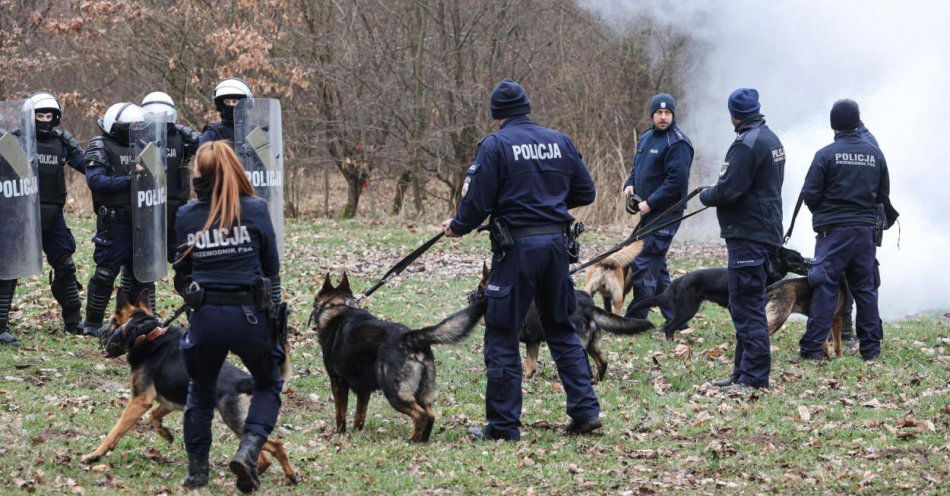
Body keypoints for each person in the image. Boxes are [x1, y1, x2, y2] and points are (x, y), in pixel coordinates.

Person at [441, 78, 601, 440]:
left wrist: (458, 226)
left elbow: (477, 201)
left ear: (497, 115)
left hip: (516, 251)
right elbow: (586, 192)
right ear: (527, 108)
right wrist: (549, 206)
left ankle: (502, 427)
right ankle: (586, 413)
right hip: (557, 247)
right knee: (560, 327)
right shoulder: (560, 140)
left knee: (501, 333)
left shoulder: (495, 145)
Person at [173, 141, 283, 492]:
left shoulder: (186, 215)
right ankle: (249, 449)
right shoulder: (255, 209)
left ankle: (197, 473)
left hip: (206, 317)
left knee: (201, 390)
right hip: (250, 316)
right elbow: (271, 267)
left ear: (202, 177)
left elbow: (182, 275)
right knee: (268, 384)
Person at [699, 88, 785, 390]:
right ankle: (740, 372)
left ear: (733, 115)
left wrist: (705, 194)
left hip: (749, 235)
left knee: (746, 306)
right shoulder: (770, 138)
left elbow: (727, 191)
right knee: (745, 302)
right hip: (764, 233)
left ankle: (753, 378)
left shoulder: (745, 145)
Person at [796, 100, 891, 362]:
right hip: (864, 233)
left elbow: (811, 195)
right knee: (866, 289)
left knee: (825, 287)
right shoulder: (875, 154)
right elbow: (883, 196)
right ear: (857, 121)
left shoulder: (825, 154)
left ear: (833, 124)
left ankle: (813, 350)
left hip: (834, 234)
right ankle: (871, 350)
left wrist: (827, 213)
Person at [0, 92, 86, 344]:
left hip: (53, 214)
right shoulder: (14, 141)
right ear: (30, 116)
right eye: (40, 114)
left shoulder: (62, 141)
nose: (44, 119)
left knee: (66, 265)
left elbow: (87, 165)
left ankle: (74, 322)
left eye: (49, 115)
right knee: (9, 270)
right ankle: (1, 327)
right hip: (22, 213)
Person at [82, 103, 155, 336]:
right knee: (106, 273)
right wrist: (130, 179)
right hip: (115, 219)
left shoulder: (145, 146)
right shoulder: (101, 144)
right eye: (130, 126)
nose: (135, 129)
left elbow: (158, 177)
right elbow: (96, 181)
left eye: (138, 125)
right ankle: (92, 324)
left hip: (142, 217)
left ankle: (139, 319)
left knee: (141, 273)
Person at [621, 93, 693, 322]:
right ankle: (676, 319)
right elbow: (636, 167)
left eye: (667, 113)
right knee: (658, 268)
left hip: (666, 213)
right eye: (659, 113)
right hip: (649, 212)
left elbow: (676, 182)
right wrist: (629, 185)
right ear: (652, 115)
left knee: (644, 262)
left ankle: (635, 320)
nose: (663, 117)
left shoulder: (678, 143)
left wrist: (650, 203)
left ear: (673, 115)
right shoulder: (646, 138)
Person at [141, 91, 200, 262]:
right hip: (147, 202)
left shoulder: (181, 137)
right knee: (144, 256)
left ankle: (187, 287)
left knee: (183, 256)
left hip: (177, 204)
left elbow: (206, 148)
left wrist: (187, 132)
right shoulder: (140, 138)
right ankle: (142, 290)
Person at [198, 78, 253, 146]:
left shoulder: (253, 132)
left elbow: (266, 154)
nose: (230, 105)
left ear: (244, 104)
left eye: (234, 101)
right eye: (226, 102)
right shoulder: (213, 132)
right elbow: (203, 155)